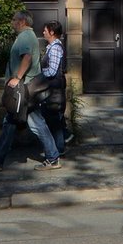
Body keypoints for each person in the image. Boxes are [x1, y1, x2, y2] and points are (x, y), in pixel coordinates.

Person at [0, 10, 62, 171]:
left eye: (14, 19)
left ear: (22, 21)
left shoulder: (25, 37)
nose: (12, 22)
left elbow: (27, 57)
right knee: (14, 122)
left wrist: (17, 77)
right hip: (25, 90)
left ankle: (52, 157)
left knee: (28, 123)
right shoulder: (26, 36)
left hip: (24, 90)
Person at [39, 21, 70, 155]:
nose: (43, 32)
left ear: (52, 32)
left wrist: (39, 74)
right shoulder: (51, 47)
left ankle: (60, 148)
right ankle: (63, 140)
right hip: (52, 90)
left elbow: (52, 71)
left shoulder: (56, 48)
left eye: (45, 30)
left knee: (54, 120)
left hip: (55, 91)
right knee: (55, 120)